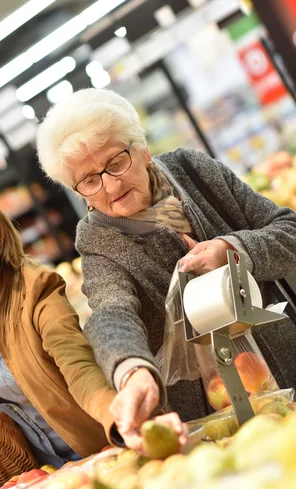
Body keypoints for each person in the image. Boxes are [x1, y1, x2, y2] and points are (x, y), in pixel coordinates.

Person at [36, 88, 296, 425]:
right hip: (219, 412)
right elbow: (110, 310)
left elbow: (289, 229)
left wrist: (234, 250)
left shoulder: (194, 171)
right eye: (89, 180)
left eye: (116, 162)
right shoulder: (96, 239)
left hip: (288, 360)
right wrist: (130, 368)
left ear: (142, 150)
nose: (111, 187)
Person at [0, 164, 186, 464]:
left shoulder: (33, 287)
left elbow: (77, 365)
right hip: (31, 475)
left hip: (100, 455)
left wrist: (122, 416)